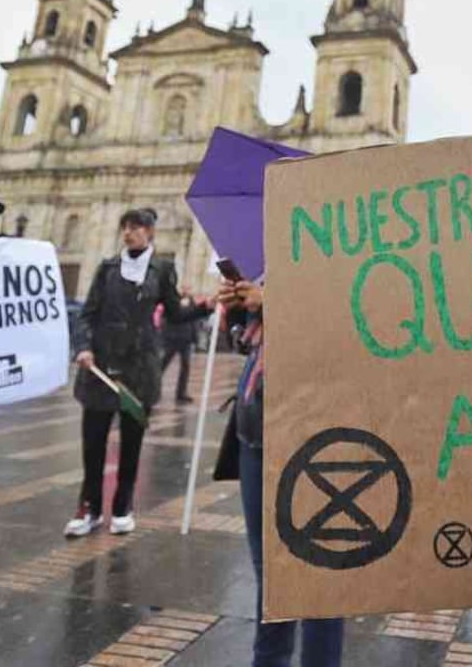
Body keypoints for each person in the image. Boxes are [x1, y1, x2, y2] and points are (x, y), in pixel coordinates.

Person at [213, 277, 344, 667]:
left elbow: (351, 320)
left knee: (322, 573)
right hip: (255, 432)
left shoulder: (337, 235)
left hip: (315, 435)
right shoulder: (269, 256)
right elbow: (247, 344)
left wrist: (275, 300)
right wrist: (240, 306)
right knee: (270, 573)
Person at [68, 208, 207, 537]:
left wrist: (205, 306)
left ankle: (122, 506)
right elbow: (87, 314)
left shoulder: (162, 269)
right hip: (102, 365)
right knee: (93, 443)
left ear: (150, 232)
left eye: (136, 228)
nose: (129, 233)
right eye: (125, 227)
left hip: (140, 371)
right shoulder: (108, 268)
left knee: (132, 443)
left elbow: (174, 313)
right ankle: (88, 508)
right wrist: (83, 348)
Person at [160, 286, 207, 405]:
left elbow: (193, 320)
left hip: (186, 339)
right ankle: (154, 388)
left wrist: (194, 337)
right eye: (184, 287)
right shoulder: (173, 300)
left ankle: (181, 393)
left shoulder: (192, 302)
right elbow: (168, 317)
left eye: (189, 288)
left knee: (185, 366)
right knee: (162, 364)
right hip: (173, 337)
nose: (187, 290)